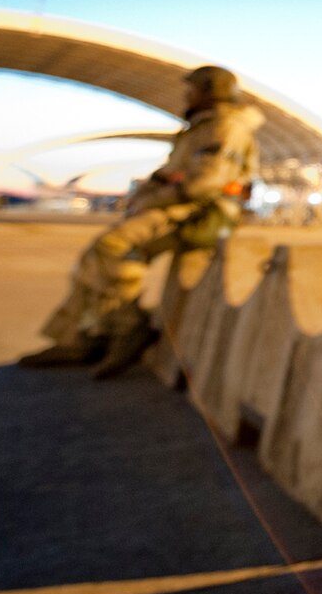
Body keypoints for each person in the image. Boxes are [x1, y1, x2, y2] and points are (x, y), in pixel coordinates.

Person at [20, 64, 263, 378]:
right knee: (96, 257)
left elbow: (203, 183)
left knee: (114, 246)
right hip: (183, 205)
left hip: (203, 211)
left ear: (208, 92)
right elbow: (177, 176)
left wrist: (154, 196)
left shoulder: (226, 127)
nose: (187, 95)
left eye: (193, 89)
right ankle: (83, 336)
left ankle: (128, 328)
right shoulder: (203, 126)